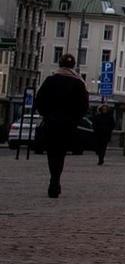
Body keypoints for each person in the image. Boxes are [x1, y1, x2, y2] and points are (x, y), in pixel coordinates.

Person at [34, 54, 90, 199]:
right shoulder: (78, 83)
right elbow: (84, 105)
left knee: (52, 152)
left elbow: (39, 100)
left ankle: (53, 180)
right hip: (68, 124)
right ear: (73, 66)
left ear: (59, 64)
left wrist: (47, 114)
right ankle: (56, 180)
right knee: (61, 153)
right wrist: (75, 119)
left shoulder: (50, 80)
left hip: (52, 122)